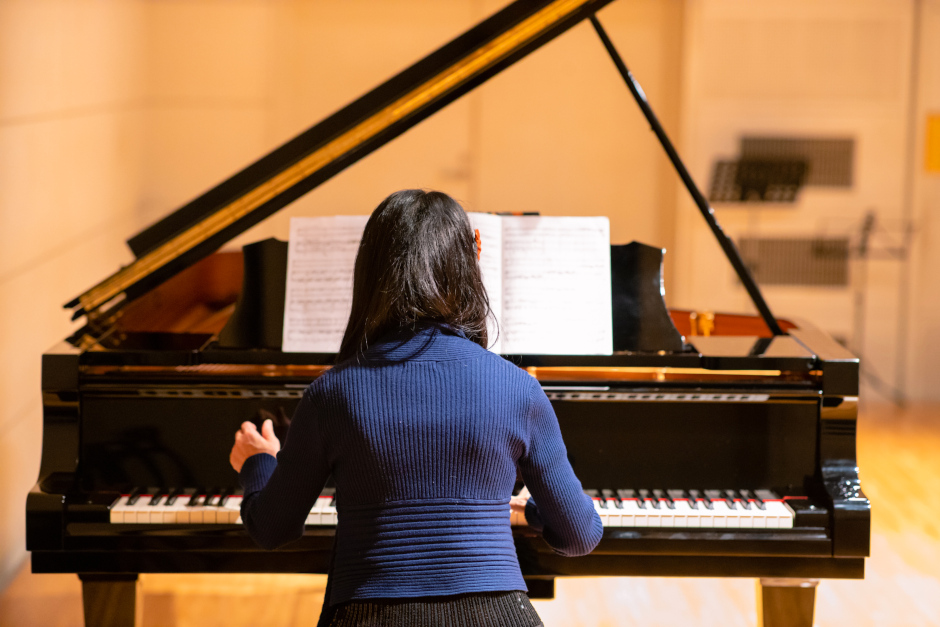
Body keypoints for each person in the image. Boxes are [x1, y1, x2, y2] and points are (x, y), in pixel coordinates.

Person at [229, 189, 603, 626]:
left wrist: (257, 463)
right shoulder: (520, 389)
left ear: (369, 272)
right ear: (467, 268)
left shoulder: (333, 394)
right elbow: (580, 534)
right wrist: (535, 514)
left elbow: (271, 527)